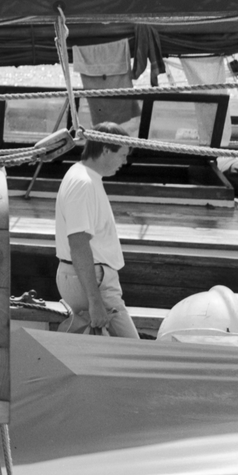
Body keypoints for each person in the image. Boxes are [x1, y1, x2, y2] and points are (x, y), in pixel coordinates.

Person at [54, 121, 139, 338]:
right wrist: (95, 302)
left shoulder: (81, 175)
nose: (125, 162)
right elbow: (78, 242)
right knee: (131, 349)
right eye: (122, 155)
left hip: (83, 277)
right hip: (94, 281)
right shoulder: (84, 184)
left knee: (98, 347)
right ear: (105, 150)